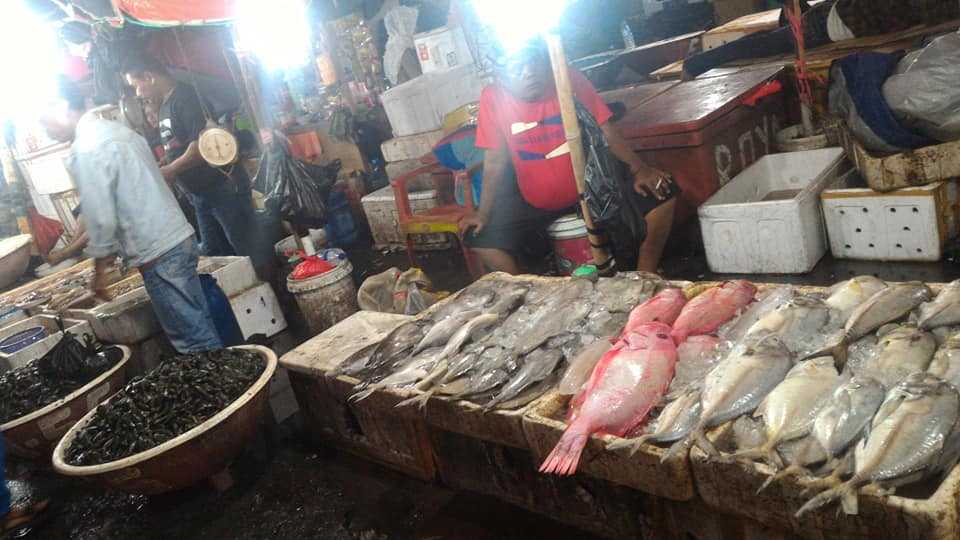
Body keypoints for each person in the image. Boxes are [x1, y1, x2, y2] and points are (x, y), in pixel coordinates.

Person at [460, 39, 678, 274]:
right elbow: (495, 160)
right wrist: (482, 213)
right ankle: (527, 291)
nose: (530, 73)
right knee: (478, 238)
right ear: (500, 74)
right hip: (533, 199)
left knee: (664, 194)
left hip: (591, 189)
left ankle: (645, 276)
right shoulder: (493, 97)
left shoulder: (567, 79)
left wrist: (639, 169)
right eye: (517, 67)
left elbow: (605, 128)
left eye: (534, 63)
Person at [41, 77, 222, 354]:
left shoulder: (86, 149)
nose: (46, 131)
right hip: (178, 237)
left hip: (158, 252)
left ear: (62, 108)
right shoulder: (117, 131)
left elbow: (101, 219)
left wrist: (99, 274)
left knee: (195, 343)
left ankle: (233, 392)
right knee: (202, 327)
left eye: (45, 122)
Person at [122, 55, 261, 265]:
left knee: (247, 248)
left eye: (135, 85)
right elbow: (177, 144)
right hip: (201, 194)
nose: (137, 93)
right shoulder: (165, 104)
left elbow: (200, 145)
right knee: (215, 254)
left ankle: (272, 292)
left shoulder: (186, 97)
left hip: (221, 186)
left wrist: (171, 170)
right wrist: (165, 163)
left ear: (149, 77)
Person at [683, 0, 959, 78]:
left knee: (771, 38)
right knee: (763, 45)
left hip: (834, 16)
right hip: (826, 26)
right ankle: (697, 63)